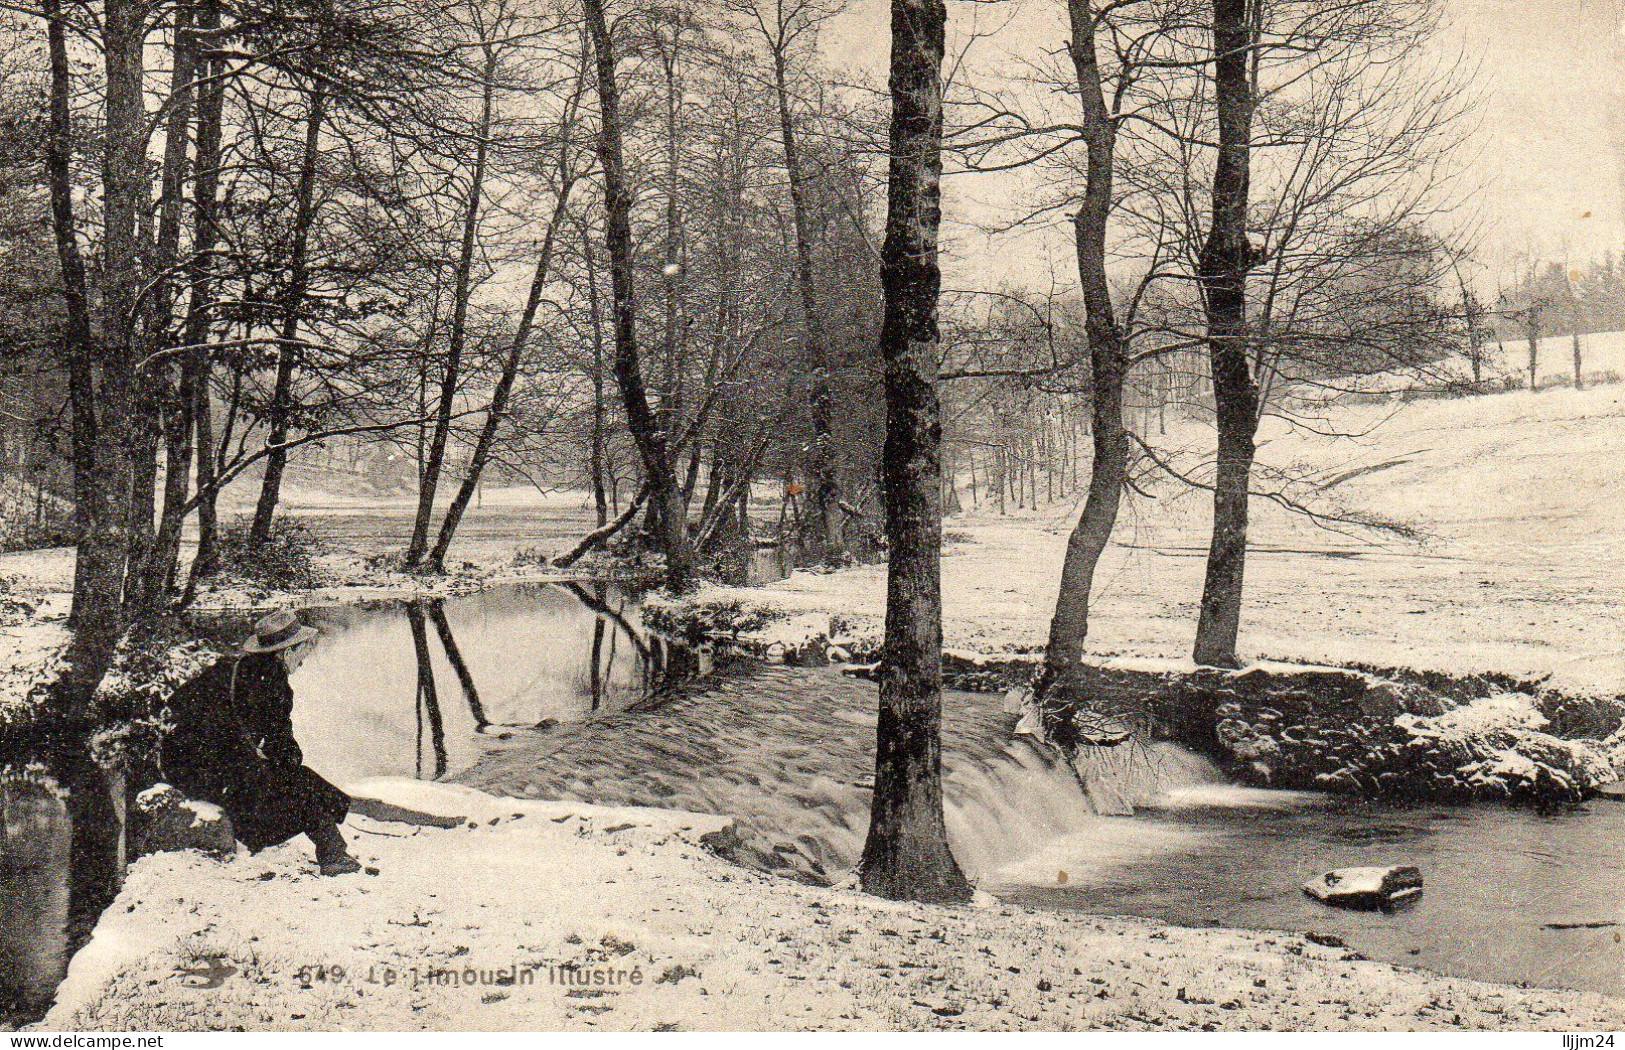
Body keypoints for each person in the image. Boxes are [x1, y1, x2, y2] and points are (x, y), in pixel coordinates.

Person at [160, 609, 363, 875]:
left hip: (182, 766)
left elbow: (177, 702)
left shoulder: (228, 668)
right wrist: (263, 755)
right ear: (287, 652)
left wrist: (234, 742)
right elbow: (284, 750)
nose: (303, 661)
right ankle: (333, 854)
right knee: (301, 783)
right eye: (303, 651)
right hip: (221, 773)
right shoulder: (275, 685)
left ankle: (333, 849)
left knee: (293, 781)